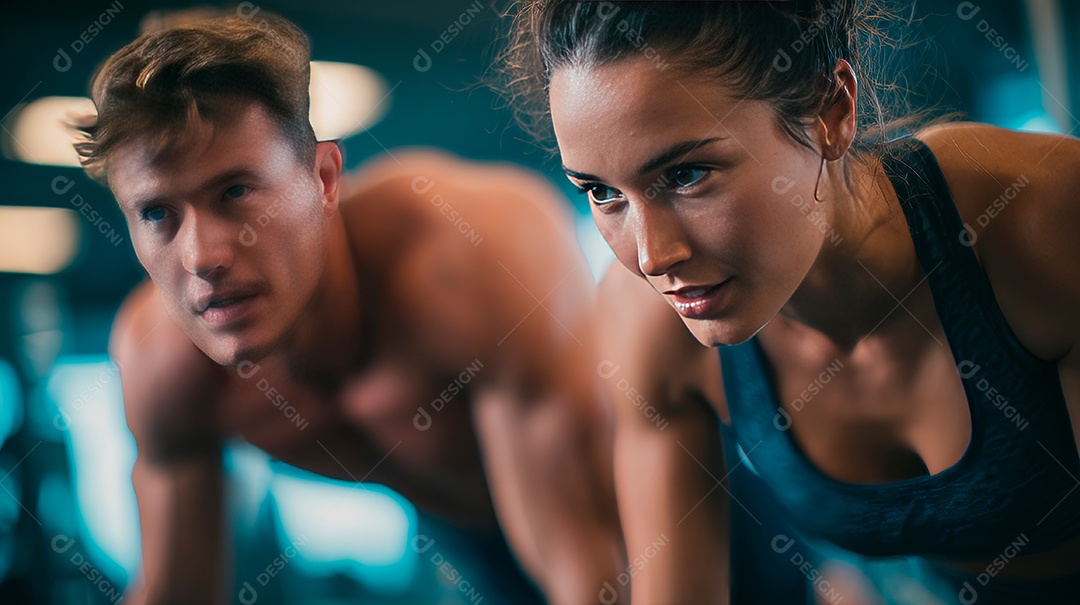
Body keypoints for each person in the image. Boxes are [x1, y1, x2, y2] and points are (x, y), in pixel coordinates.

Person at [501, 1, 1080, 603]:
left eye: (686, 175)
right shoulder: (643, 321)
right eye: (601, 192)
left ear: (831, 111)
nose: (650, 257)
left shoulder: (1047, 220)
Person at [78, 12, 624, 605]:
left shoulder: (468, 259)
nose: (200, 257)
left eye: (235, 192)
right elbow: (173, 593)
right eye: (158, 214)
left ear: (324, 178)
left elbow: (589, 568)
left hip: (653, 516)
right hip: (468, 544)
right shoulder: (163, 363)